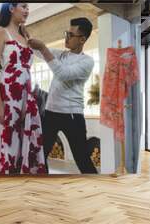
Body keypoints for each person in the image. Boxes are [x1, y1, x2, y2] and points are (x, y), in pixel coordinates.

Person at [0, 3, 46, 174]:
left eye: (28, 7)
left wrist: (29, 100)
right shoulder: (1, 32)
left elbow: (27, 71)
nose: (27, 10)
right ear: (11, 8)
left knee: (25, 146)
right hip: (7, 96)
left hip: (26, 98)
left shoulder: (26, 35)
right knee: (7, 144)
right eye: (23, 6)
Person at [28, 17, 98, 174]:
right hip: (51, 113)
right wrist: (26, 36)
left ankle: (97, 188)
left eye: (70, 35)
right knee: (40, 155)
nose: (66, 37)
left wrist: (43, 47)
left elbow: (63, 73)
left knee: (82, 159)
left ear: (82, 39)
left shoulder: (87, 61)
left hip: (72, 116)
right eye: (67, 33)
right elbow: (37, 51)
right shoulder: (62, 55)